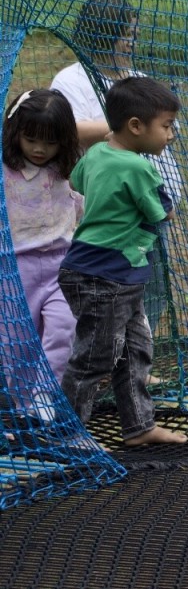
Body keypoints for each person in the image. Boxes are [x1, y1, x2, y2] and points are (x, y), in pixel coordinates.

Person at [57, 76, 186, 446]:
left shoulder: (97, 152)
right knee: (94, 358)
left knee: (134, 351)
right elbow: (163, 211)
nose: (170, 135)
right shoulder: (139, 168)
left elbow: (77, 183)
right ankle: (67, 437)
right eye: (166, 126)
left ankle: (139, 427)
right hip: (106, 274)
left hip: (101, 270)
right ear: (136, 126)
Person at [51, 0, 182, 344]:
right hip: (111, 207)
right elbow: (68, 129)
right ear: (104, 33)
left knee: (151, 284)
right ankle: (105, 353)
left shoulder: (136, 77)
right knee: (109, 290)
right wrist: (125, 127)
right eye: (127, 33)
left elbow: (166, 126)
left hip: (149, 204)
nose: (132, 40)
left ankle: (132, 353)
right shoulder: (72, 79)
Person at [2, 89, 84, 421]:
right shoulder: (6, 170)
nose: (39, 149)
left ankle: (44, 395)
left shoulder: (67, 169)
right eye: (31, 139)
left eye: (50, 142)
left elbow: (80, 202)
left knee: (64, 327)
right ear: (15, 133)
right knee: (18, 341)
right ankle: (24, 411)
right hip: (15, 268)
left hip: (62, 266)